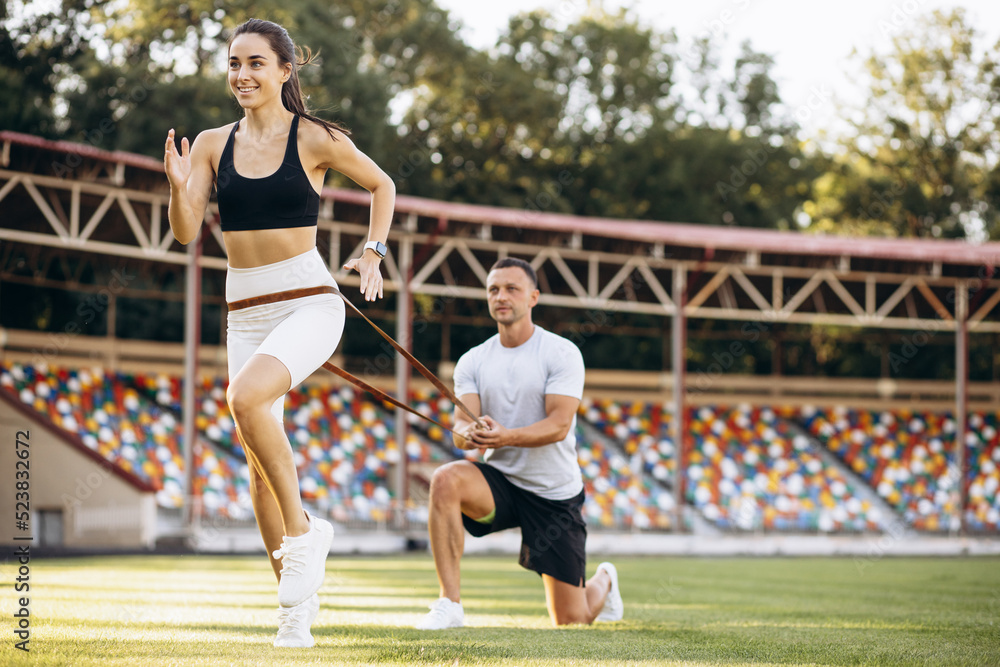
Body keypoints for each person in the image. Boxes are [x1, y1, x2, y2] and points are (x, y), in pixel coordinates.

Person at [164, 18, 394, 648]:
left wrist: (372, 252)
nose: (242, 74)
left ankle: (304, 536)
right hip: (246, 310)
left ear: (286, 71)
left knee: (243, 399)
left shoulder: (316, 138)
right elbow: (186, 233)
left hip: (309, 303)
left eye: (256, 63)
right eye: (235, 63)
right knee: (256, 471)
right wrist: (181, 189)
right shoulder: (212, 144)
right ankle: (294, 613)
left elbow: (382, 185)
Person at [416, 257, 623, 629]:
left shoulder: (560, 352)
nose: (501, 296)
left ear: (533, 297)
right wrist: (469, 433)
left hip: (553, 494)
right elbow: (462, 428)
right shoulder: (473, 361)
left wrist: (505, 436)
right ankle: (449, 603)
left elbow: (559, 426)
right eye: (493, 289)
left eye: (511, 288)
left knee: (572, 620)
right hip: (502, 484)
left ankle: (604, 580)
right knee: (446, 478)